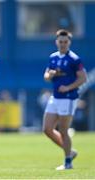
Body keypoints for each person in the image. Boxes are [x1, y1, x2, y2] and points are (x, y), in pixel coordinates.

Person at [43, 29, 87, 170]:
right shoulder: (53, 57)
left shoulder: (74, 59)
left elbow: (83, 78)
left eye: (65, 42)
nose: (62, 44)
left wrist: (68, 87)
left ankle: (68, 162)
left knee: (63, 130)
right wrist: (49, 75)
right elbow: (46, 75)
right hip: (55, 97)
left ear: (69, 42)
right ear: (56, 42)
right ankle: (70, 151)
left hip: (68, 99)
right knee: (47, 129)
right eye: (60, 42)